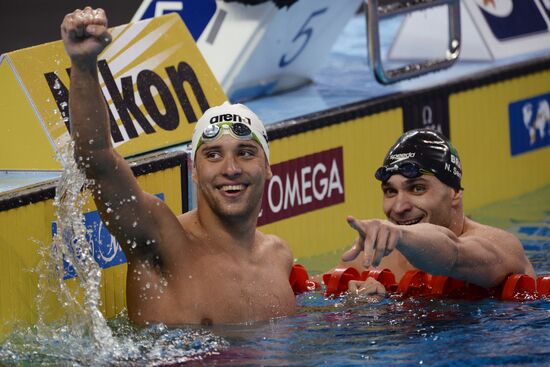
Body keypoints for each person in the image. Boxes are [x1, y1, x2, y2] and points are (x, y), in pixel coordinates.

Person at [61, 7, 296, 326]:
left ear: (267, 166)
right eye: (212, 155)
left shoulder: (279, 258)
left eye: (245, 153)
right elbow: (97, 159)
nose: (230, 168)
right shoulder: (162, 240)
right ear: (195, 170)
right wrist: (84, 66)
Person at [339, 129, 536, 288]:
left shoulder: (501, 246)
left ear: (455, 192)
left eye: (417, 188)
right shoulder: (372, 262)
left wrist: (400, 235)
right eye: (390, 191)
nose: (399, 207)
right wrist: (358, 306)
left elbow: (453, 255)